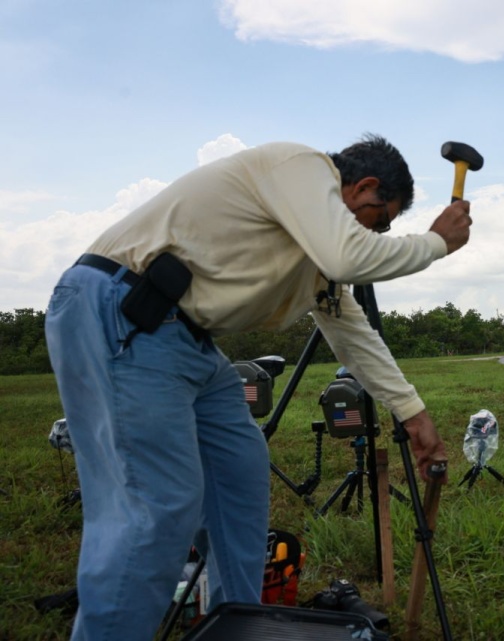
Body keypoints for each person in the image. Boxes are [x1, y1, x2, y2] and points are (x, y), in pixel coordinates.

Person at [44, 135, 470, 640]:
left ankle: (239, 628)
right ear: (363, 186)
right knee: (156, 506)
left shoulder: (313, 256)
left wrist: (413, 414)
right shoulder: (302, 166)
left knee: (240, 480)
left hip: (190, 343)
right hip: (125, 309)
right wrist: (437, 242)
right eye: (377, 221)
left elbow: (354, 335)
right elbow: (348, 256)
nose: (376, 235)